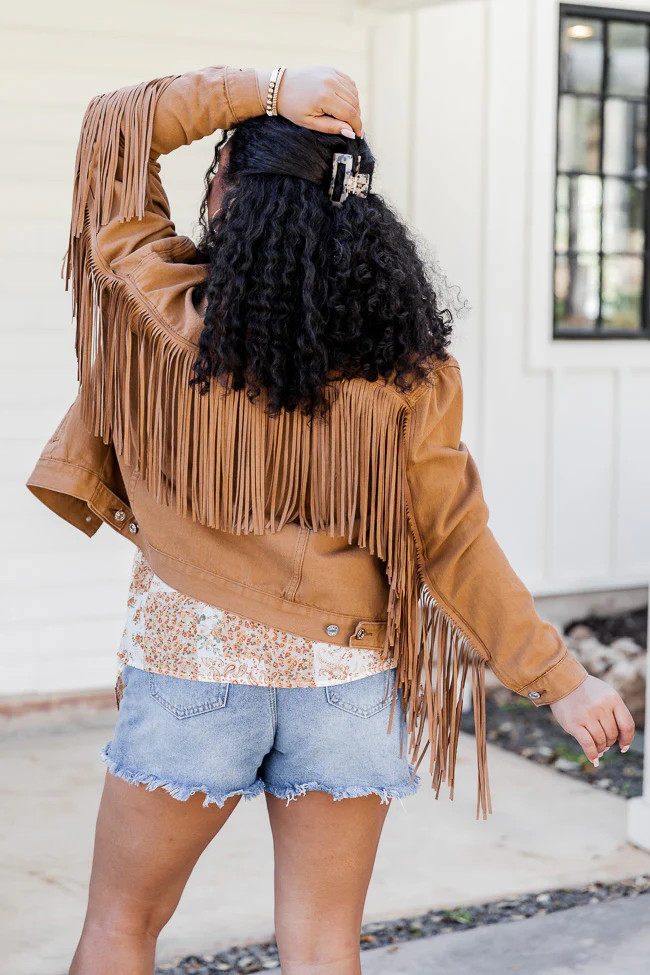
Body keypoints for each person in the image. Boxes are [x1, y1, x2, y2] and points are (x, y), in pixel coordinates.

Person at [26, 63, 635, 975]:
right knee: (321, 944)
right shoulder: (408, 377)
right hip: (347, 677)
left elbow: (114, 129)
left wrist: (267, 90)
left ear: (227, 189)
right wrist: (560, 680)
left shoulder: (158, 316)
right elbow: (453, 538)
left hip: (197, 663)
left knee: (121, 925)